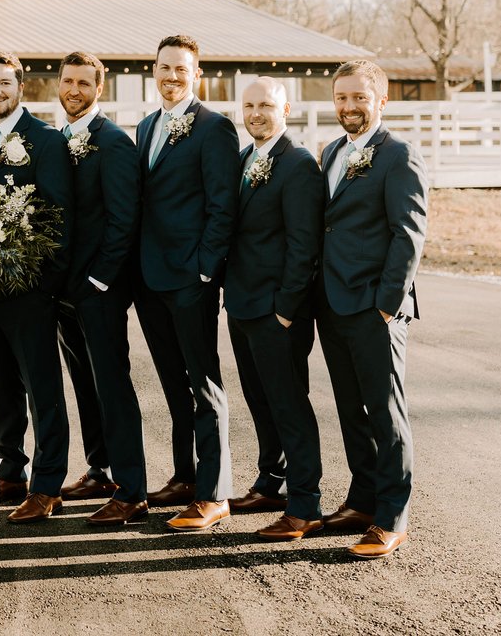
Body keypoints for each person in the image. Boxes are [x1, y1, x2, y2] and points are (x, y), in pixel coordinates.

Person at [315, 59, 428, 560]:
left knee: (386, 413)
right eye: (341, 98)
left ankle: (391, 516)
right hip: (332, 305)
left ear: (381, 100)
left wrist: (387, 305)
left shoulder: (398, 154)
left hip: (375, 308)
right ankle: (361, 501)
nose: (349, 107)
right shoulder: (332, 152)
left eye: (359, 98)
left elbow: (409, 233)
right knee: (349, 410)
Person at [132, 34, 240, 531]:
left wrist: (204, 270)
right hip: (150, 279)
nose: (171, 76)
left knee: (204, 384)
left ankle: (214, 493)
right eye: (164, 67)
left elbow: (223, 206)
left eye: (181, 69)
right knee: (173, 386)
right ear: (153, 71)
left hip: (190, 280)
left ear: (196, 74)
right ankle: (183, 476)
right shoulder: (147, 125)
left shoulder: (214, 128)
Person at [0, 51, 73, 523]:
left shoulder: (45, 140)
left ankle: (48, 486)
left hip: (30, 291)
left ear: (20, 87)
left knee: (41, 386)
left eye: (5, 83)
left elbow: (60, 217)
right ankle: (11, 468)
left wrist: (44, 285)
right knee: (0, 383)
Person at [223, 77, 326, 541]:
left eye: (266, 105)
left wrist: (286, 310)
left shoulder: (299, 164)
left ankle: (305, 503)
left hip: (277, 312)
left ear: (286, 110)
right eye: (250, 106)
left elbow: (305, 245)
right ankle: (270, 482)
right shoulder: (245, 159)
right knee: (259, 400)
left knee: (288, 404)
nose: (257, 113)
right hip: (243, 305)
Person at [54, 52, 147, 526]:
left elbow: (123, 218)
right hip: (65, 291)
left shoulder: (111, 143)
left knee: (112, 386)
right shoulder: (58, 139)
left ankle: (132, 492)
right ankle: (100, 471)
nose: (74, 89)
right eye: (68, 81)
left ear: (99, 88)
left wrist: (99, 279)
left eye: (83, 83)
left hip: (99, 288)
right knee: (84, 385)